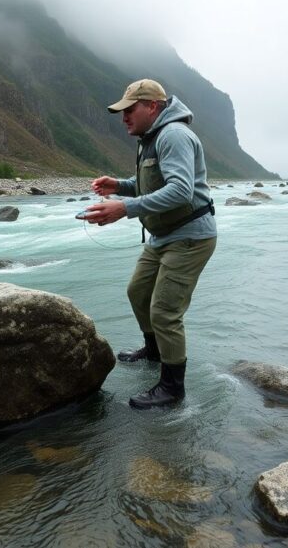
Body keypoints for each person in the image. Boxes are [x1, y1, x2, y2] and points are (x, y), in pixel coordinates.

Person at [83, 78, 217, 410]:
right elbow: (150, 182)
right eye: (122, 111)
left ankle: (173, 388)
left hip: (189, 236)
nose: (124, 117)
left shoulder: (173, 135)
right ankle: (155, 351)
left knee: (165, 311)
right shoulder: (151, 137)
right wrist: (120, 186)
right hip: (165, 235)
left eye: (130, 110)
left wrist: (123, 208)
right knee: (138, 292)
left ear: (152, 107)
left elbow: (181, 191)